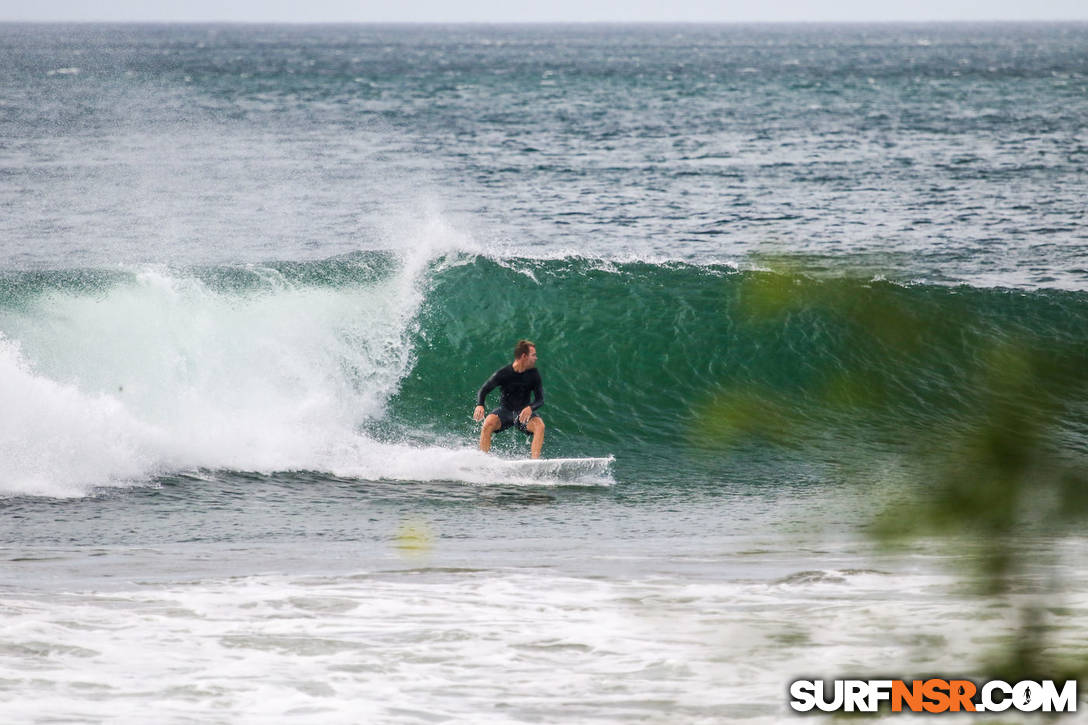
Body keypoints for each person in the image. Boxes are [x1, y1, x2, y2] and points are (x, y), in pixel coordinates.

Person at [472, 339, 545, 459]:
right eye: (533, 355)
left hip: (523, 414)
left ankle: (535, 463)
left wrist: (530, 408)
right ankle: (482, 460)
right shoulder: (504, 373)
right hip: (505, 411)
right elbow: (484, 390)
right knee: (487, 424)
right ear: (524, 356)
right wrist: (480, 405)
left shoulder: (534, 375)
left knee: (540, 426)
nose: (536, 358)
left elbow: (540, 399)